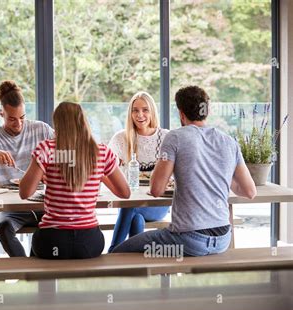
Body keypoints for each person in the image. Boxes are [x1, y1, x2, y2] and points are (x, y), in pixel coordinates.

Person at [112, 86, 257, 257]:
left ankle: (113, 264)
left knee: (119, 252)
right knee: (137, 225)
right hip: (223, 239)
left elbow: (156, 189)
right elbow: (249, 191)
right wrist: (217, 173)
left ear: (181, 113)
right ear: (206, 111)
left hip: (188, 240)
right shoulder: (229, 142)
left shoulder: (174, 137)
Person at [19, 102, 130, 259]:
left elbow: (24, 192)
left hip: (52, 241)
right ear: (83, 122)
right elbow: (125, 193)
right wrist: (96, 172)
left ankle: (40, 282)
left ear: (57, 124)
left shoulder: (46, 149)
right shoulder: (102, 152)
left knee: (38, 247)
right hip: (89, 243)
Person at [0, 80, 54, 257]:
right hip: (9, 207)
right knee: (3, 228)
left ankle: (33, 272)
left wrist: (49, 173)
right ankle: (25, 271)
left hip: (41, 202)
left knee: (55, 227)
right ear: (1, 112)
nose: (19, 124)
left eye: (22, 117)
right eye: (12, 119)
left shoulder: (42, 130)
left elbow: (64, 155)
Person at [107, 91, 170, 253]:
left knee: (130, 207)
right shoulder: (121, 138)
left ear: (152, 111)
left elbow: (174, 176)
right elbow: (106, 168)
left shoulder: (166, 137)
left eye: (145, 110)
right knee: (136, 219)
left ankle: (114, 252)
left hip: (157, 203)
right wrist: (116, 165)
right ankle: (136, 259)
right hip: (131, 200)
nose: (139, 115)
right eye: (135, 110)